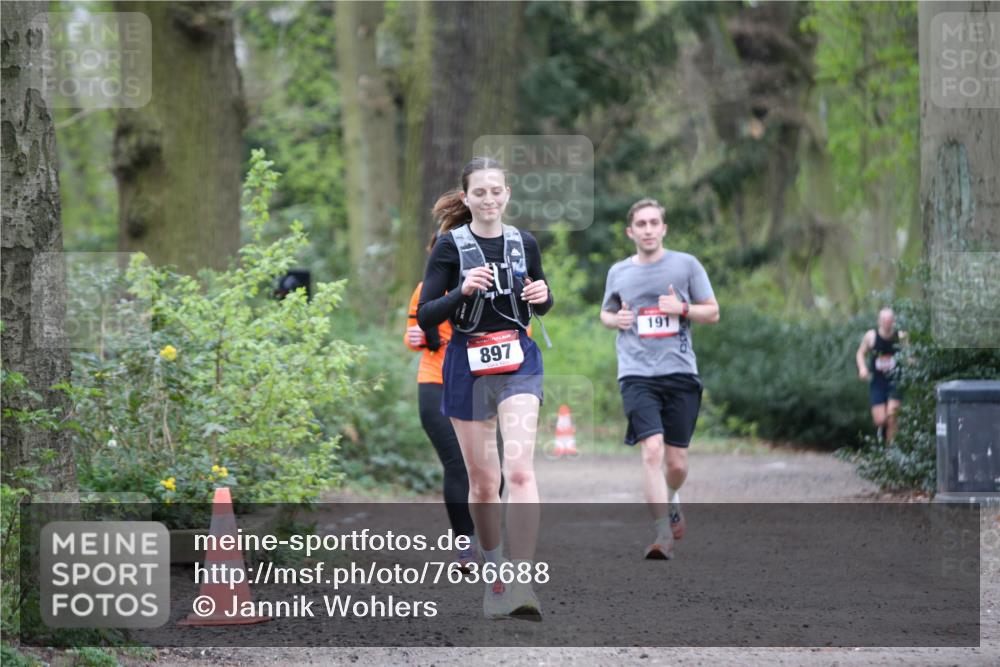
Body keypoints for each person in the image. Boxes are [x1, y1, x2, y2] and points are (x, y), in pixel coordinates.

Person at [417, 156, 552, 621]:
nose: (489, 199)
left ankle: (522, 580)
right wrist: (462, 291)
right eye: (480, 192)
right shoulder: (449, 247)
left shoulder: (523, 242)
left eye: (497, 191)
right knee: (483, 482)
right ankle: (494, 574)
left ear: (507, 195)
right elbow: (426, 315)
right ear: (466, 197)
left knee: (520, 471)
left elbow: (541, 298)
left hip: (518, 361)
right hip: (467, 365)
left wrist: (543, 296)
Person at [600, 198, 719, 560]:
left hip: (680, 372)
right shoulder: (619, 272)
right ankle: (661, 534)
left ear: (664, 229)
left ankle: (672, 496)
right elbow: (606, 313)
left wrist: (681, 308)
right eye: (642, 224)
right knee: (651, 450)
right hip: (636, 373)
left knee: (676, 462)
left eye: (654, 223)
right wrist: (616, 320)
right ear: (630, 231)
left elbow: (712, 312)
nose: (648, 229)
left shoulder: (686, 265)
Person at [404, 272, 478, 570]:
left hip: (481, 383)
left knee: (490, 469)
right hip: (436, 379)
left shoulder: (493, 281)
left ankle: (484, 533)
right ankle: (465, 545)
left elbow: (522, 333)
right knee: (456, 463)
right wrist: (414, 338)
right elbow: (413, 333)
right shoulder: (426, 288)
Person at [855, 307, 905, 444]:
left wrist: (912, 363)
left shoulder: (901, 336)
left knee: (892, 418)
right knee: (880, 420)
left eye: (889, 320)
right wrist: (862, 368)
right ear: (879, 321)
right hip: (877, 382)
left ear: (894, 321)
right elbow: (860, 353)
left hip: (895, 381)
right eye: (884, 320)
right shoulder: (871, 336)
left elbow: (911, 354)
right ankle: (882, 435)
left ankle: (891, 451)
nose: (887, 323)